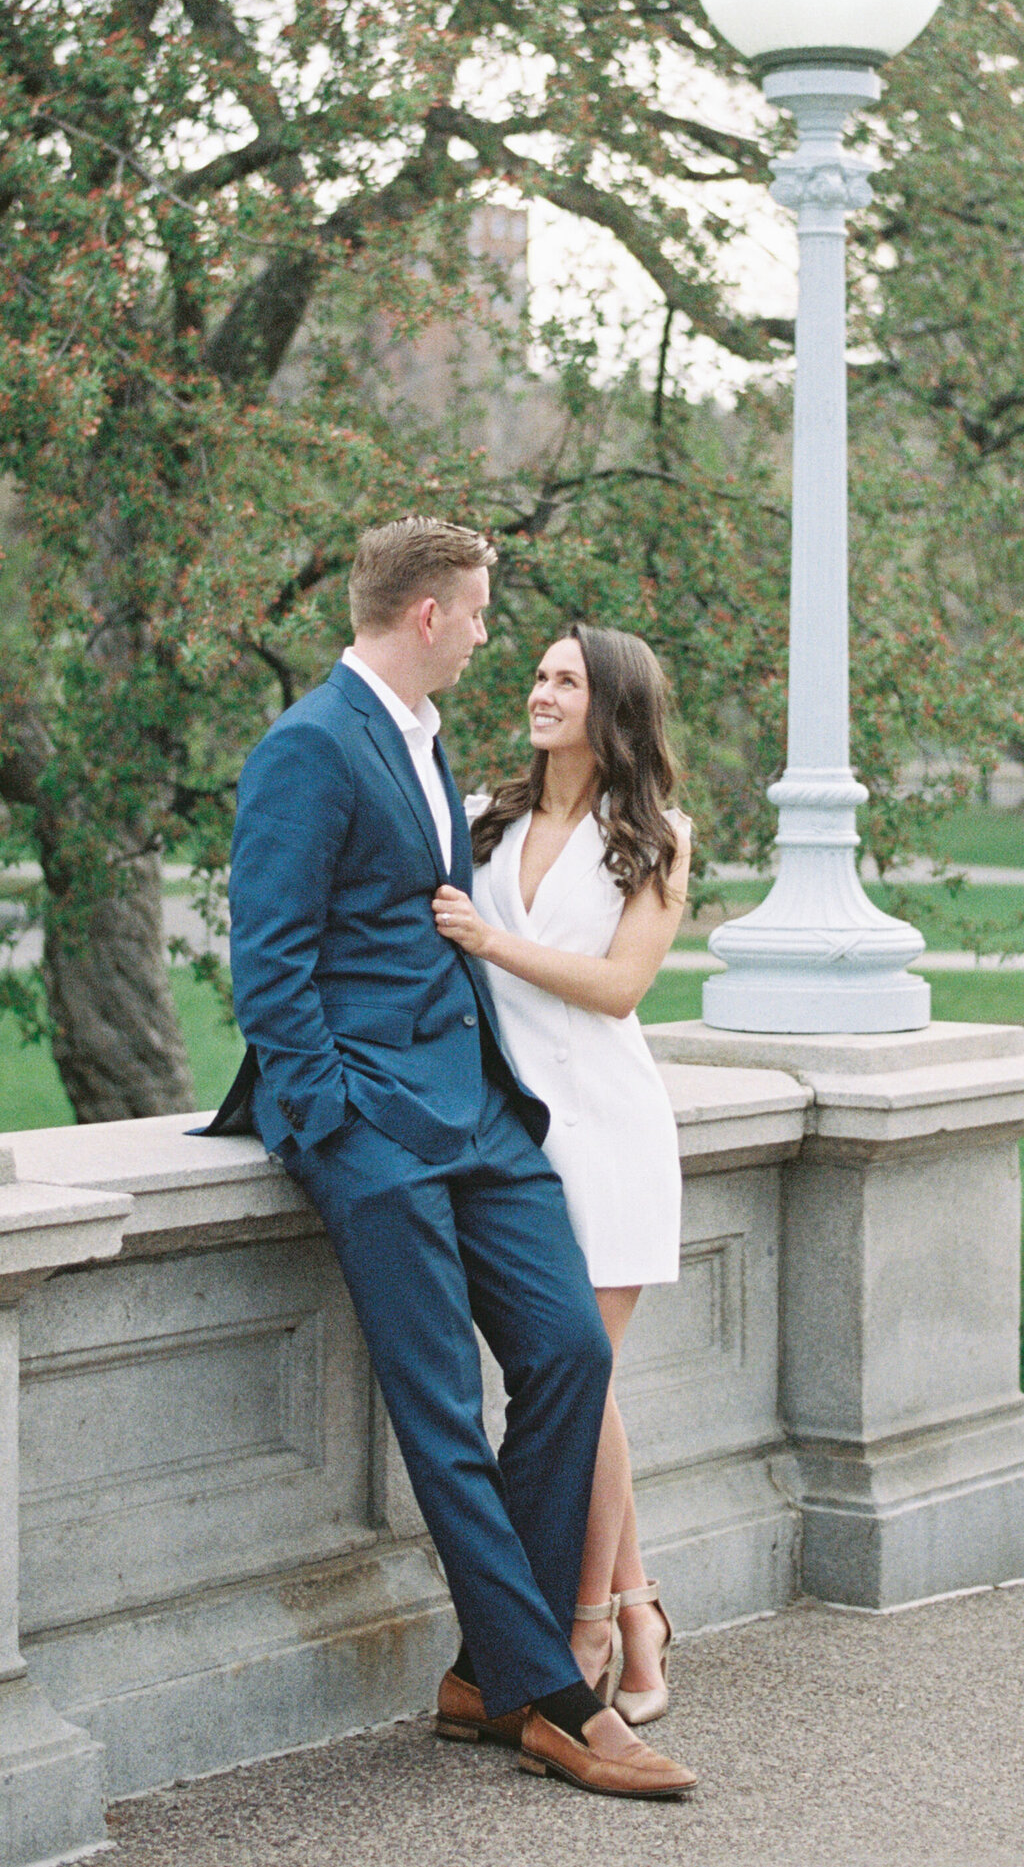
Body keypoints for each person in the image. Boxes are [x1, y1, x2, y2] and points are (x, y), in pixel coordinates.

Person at [201, 520, 696, 1801]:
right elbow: (270, 958)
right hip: (372, 1131)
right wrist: (328, 1126)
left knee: (571, 1355)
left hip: (480, 1114)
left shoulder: (428, 748)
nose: (490, 638)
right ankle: (552, 1699)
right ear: (429, 614)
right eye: (479, 615)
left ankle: (487, 1666)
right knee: (439, 1413)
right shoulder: (310, 744)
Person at [430, 625, 689, 1727]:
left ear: (612, 704)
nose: (540, 692)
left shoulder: (658, 837)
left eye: (566, 681)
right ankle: (637, 1611)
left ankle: (589, 1618)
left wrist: (489, 946)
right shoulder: (487, 816)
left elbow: (621, 986)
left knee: (583, 1381)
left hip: (609, 1131)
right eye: (537, 675)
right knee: (576, 1382)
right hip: (507, 1139)